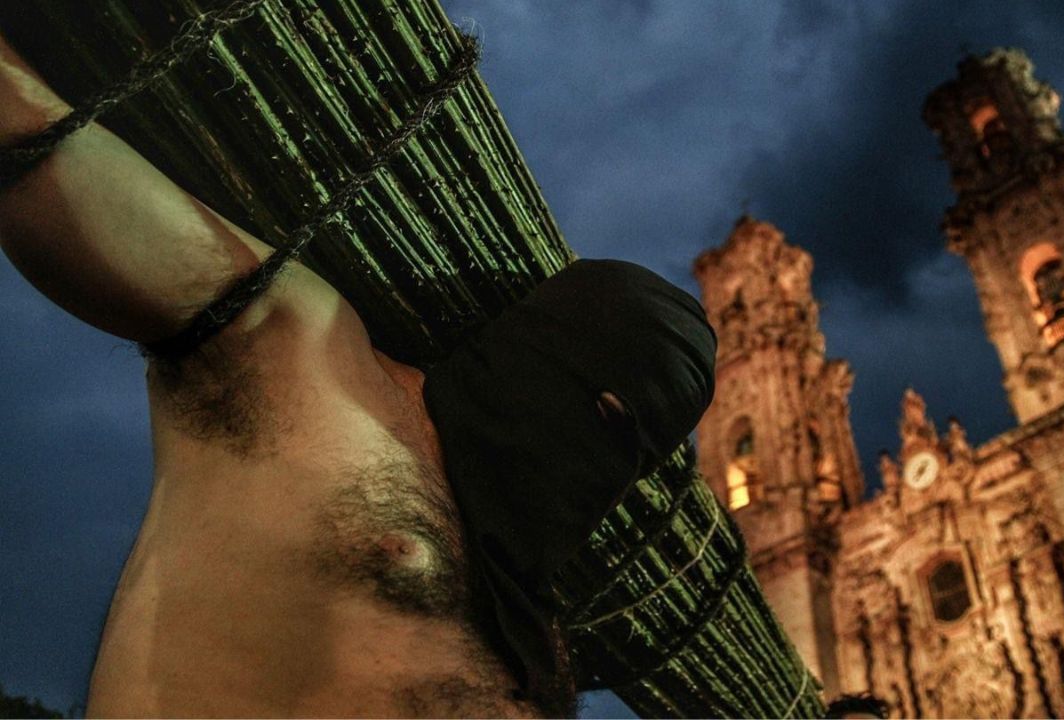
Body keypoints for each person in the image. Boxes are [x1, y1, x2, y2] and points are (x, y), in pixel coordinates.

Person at [0, 29, 715, 718]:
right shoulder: (304, 352)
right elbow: (38, 155)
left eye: (633, 448)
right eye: (611, 415)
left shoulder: (535, 604)